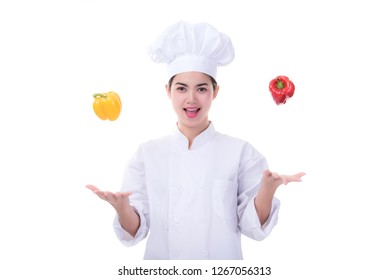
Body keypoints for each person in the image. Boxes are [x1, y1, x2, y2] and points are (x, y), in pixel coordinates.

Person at [86, 21, 305, 260]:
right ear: (168, 91)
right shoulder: (147, 154)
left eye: (201, 89)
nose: (191, 99)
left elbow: (254, 227)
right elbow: (135, 231)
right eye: (181, 89)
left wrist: (267, 191)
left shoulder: (241, 152)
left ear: (215, 92)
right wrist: (122, 208)